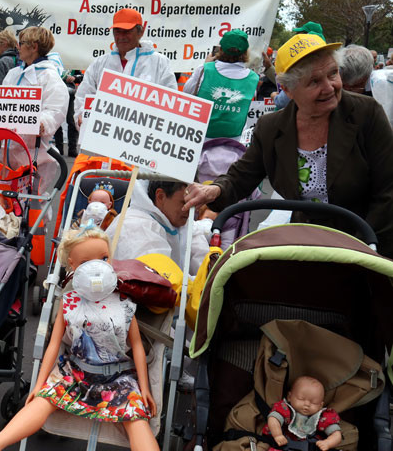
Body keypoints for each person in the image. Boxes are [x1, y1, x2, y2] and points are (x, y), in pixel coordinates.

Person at [0, 227, 198, 451]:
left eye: (104, 258)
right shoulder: (69, 301)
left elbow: (136, 346)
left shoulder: (124, 302)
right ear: (71, 266)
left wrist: (145, 388)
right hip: (77, 373)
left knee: (137, 420)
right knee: (45, 398)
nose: (97, 267)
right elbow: (53, 344)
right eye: (86, 263)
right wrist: (38, 383)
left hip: (119, 378)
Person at [184, 33, 393, 258]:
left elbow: (388, 191)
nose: (329, 87)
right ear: (288, 89)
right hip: (308, 243)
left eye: (333, 73)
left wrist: (361, 251)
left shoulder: (366, 113)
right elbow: (243, 175)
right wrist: (216, 188)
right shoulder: (271, 127)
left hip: (367, 243)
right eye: (314, 81)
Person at [73, 8, 176, 129]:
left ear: (140, 32)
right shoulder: (100, 63)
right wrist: (81, 115)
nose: (121, 36)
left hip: (144, 140)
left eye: (127, 31)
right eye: (117, 31)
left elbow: (170, 103)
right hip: (103, 141)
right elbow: (84, 96)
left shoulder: (159, 62)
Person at [106, 180, 208, 275]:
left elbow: (204, 267)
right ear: (161, 197)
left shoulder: (183, 223)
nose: (191, 210)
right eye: (184, 203)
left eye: (194, 204)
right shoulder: (135, 227)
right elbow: (159, 279)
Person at [0, 27, 69, 163]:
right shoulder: (13, 74)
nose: (17, 47)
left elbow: (55, 111)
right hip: (6, 153)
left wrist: (41, 123)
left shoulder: (50, 77)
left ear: (34, 47)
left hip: (35, 155)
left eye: (22, 43)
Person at [184, 30, 259, 140]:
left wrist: (206, 64)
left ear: (221, 49)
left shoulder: (204, 70)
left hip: (200, 139)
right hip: (234, 142)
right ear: (245, 52)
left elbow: (186, 94)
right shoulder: (253, 78)